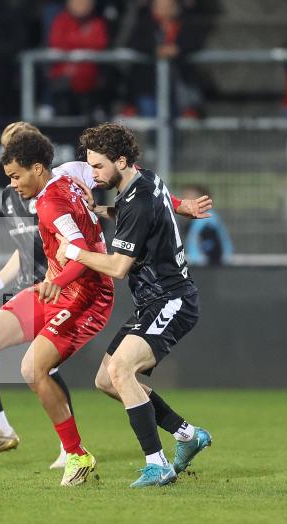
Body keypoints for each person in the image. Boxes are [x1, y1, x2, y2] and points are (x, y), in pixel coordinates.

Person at [0, 127, 115, 487]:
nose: (12, 184)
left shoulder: (48, 203)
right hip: (55, 286)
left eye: (15, 175)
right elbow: (112, 174)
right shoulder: (72, 172)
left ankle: (76, 454)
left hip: (86, 295)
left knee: (32, 369)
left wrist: (56, 281)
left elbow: (85, 255)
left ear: (38, 168)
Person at [56, 122, 212, 488]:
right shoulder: (143, 182)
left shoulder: (138, 199)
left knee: (121, 370)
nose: (92, 173)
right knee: (105, 380)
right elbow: (139, 210)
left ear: (121, 160)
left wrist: (74, 250)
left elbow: (119, 267)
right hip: (152, 303)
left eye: (98, 166)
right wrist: (101, 209)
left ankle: (157, 465)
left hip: (172, 300)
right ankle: (188, 436)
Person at [0, 122, 76, 469]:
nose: (10, 173)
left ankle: (70, 446)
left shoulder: (54, 193)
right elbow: (22, 248)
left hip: (51, 291)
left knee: (40, 366)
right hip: (23, 289)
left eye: (14, 162)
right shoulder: (12, 196)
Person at [47, 0, 109, 117]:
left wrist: (74, 43)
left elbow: (100, 44)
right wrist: (83, 42)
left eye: (86, 2)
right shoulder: (60, 21)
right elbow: (57, 42)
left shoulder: (97, 23)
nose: (82, 5)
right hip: (64, 81)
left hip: (90, 81)